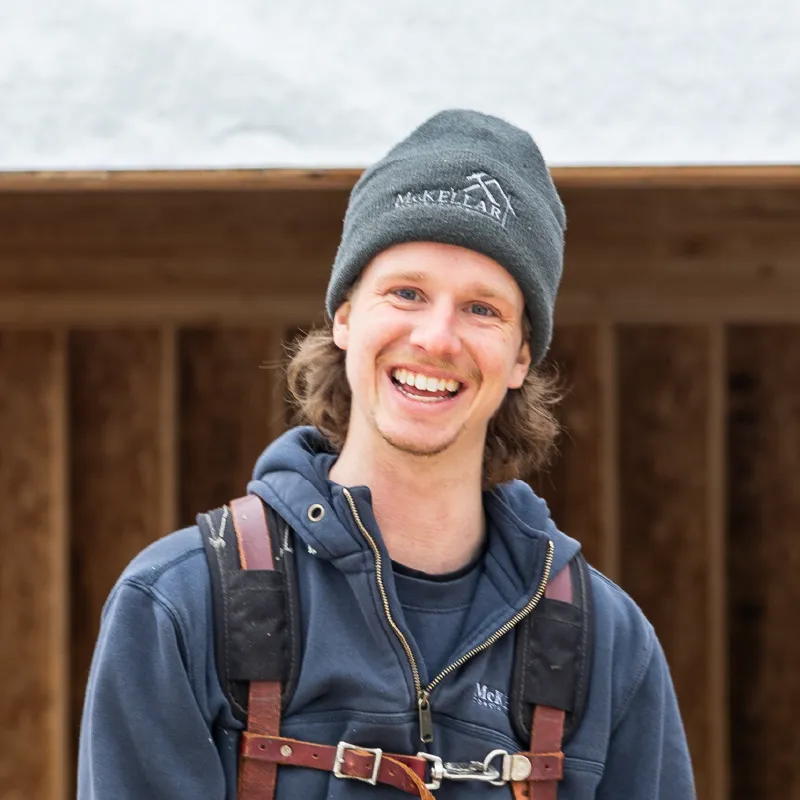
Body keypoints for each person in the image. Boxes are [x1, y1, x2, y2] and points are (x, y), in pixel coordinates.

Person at [77, 109, 696, 799]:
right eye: (406, 293)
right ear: (345, 316)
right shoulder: (179, 604)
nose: (436, 338)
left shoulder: (608, 646)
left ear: (522, 356)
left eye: (482, 309)